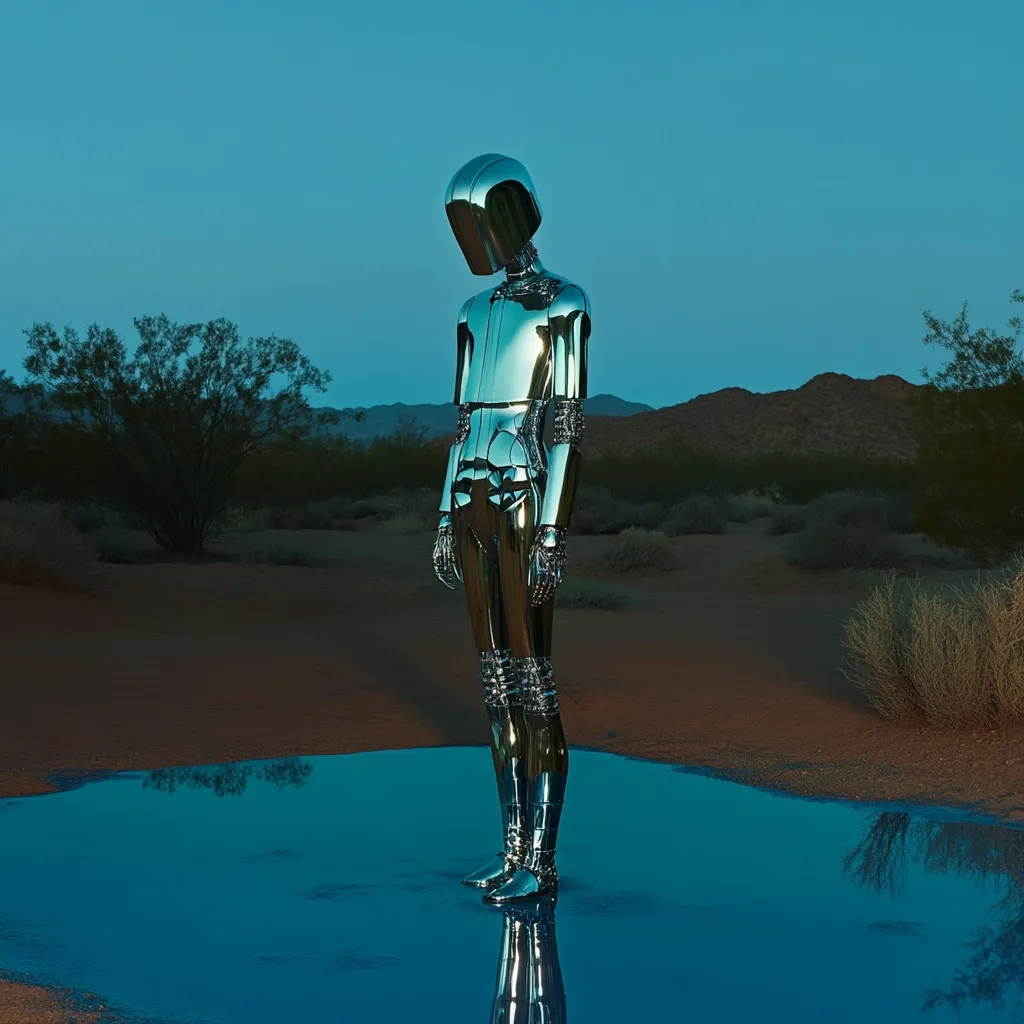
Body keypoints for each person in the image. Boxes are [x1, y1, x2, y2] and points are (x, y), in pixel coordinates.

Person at [432, 153, 590, 905]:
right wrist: (440, 515)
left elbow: (565, 426)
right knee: (495, 684)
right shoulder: (471, 313)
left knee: (533, 679)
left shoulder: (566, 304)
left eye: (480, 220)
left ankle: (542, 860)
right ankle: (508, 850)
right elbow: (460, 423)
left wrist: (553, 532)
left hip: (525, 492)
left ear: (511, 215)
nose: (475, 239)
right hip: (470, 495)